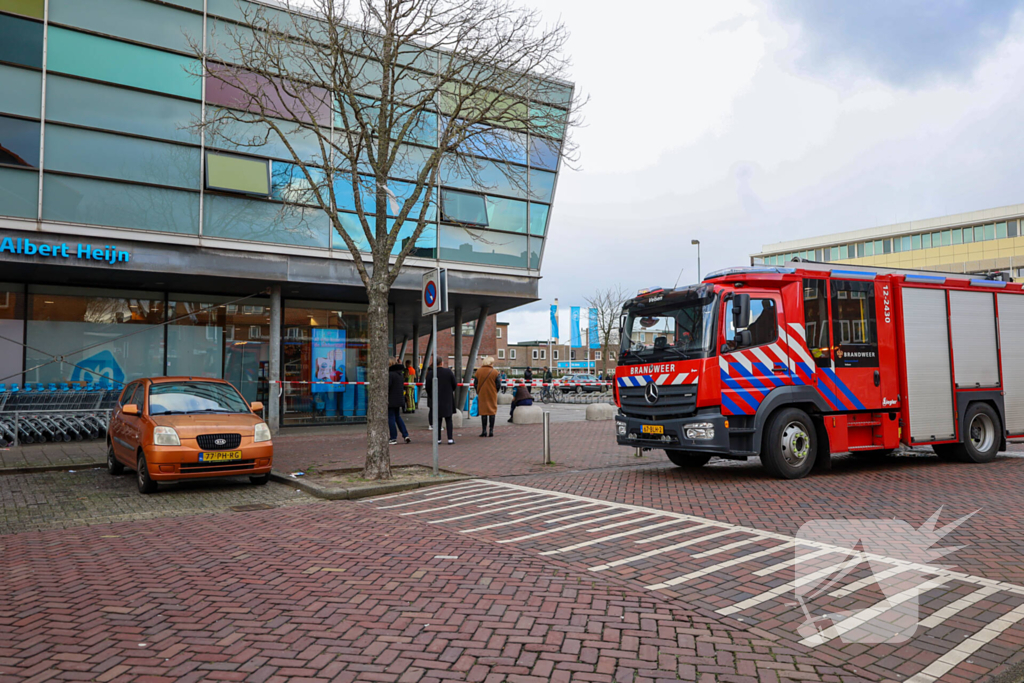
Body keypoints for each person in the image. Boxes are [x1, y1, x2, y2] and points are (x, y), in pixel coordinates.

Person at [425, 357, 458, 443]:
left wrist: (431, 395)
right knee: (449, 419)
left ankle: (438, 439)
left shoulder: (431, 373)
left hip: (436, 398)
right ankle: (450, 438)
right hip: (447, 398)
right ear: (442, 363)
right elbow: (454, 384)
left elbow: (427, 386)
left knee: (438, 419)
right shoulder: (448, 372)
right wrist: (450, 391)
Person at [474, 356, 501, 437]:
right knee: (492, 411)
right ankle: (491, 430)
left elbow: (475, 383)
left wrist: (478, 391)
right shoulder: (495, 372)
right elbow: (498, 384)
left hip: (482, 394)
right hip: (492, 394)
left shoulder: (478, 371)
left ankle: (484, 431)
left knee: (484, 412)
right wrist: (495, 391)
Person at [387, 358, 411, 445]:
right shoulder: (400, 374)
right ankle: (405, 435)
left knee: (391, 418)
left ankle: (393, 438)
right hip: (399, 399)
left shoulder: (390, 374)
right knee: (398, 417)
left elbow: (388, 387)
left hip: (391, 399)